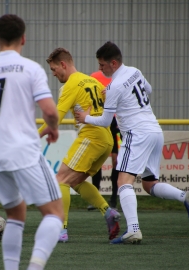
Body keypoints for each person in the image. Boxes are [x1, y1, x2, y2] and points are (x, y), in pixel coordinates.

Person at [0, 14, 64, 270]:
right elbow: (50, 112)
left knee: (16, 215)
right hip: (23, 151)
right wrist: (52, 128)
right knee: (54, 213)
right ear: (24, 39)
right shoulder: (30, 69)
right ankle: (35, 267)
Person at [74, 41, 189, 244]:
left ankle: (133, 230)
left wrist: (84, 118)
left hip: (137, 133)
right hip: (154, 131)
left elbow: (106, 121)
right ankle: (183, 196)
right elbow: (147, 90)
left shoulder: (114, 85)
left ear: (113, 63)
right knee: (150, 184)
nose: (100, 69)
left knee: (123, 182)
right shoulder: (134, 71)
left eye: (102, 65)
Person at [39, 47, 121, 243]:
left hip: (91, 136)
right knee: (74, 182)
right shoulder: (92, 80)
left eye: (53, 69)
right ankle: (108, 212)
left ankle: (61, 230)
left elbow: (55, 117)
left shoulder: (71, 84)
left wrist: (35, 137)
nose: (53, 73)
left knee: (60, 180)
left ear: (63, 64)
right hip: (106, 139)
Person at [87, 70, 121, 210]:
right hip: (100, 122)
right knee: (97, 160)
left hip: (115, 123)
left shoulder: (119, 77)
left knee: (116, 161)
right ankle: (96, 199)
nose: (102, 65)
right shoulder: (94, 77)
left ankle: (113, 199)